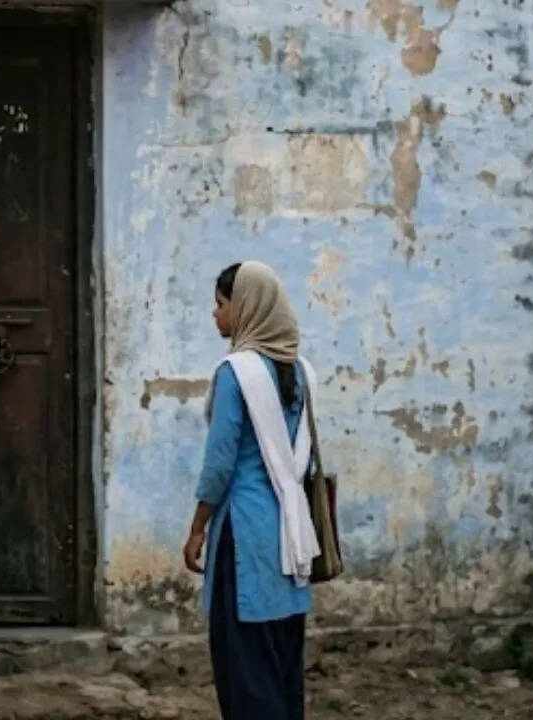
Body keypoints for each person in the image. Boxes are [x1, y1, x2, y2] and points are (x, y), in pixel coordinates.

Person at [182, 261, 320, 720]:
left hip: (245, 539)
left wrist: (198, 527)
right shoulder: (300, 373)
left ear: (243, 308)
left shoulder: (234, 374)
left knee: (244, 672)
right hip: (292, 539)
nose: (214, 314)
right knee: (281, 668)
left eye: (220, 304)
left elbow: (220, 464)